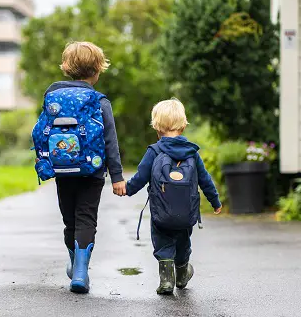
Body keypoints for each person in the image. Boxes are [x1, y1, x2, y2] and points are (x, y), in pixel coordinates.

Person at [40, 41, 126, 294]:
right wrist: (118, 176)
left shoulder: (52, 96)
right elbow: (110, 141)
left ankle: (75, 262)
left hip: (62, 170)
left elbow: (42, 132)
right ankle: (80, 272)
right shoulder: (99, 101)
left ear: (66, 67)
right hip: (93, 171)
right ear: (97, 70)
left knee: (69, 220)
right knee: (86, 218)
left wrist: (43, 160)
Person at [125, 98, 222, 295]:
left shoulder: (154, 151)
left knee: (162, 240)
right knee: (183, 242)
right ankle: (183, 272)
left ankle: (167, 280)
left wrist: (126, 189)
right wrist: (215, 201)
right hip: (187, 213)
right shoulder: (192, 153)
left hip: (161, 213)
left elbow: (140, 177)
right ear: (184, 125)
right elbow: (205, 180)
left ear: (156, 127)